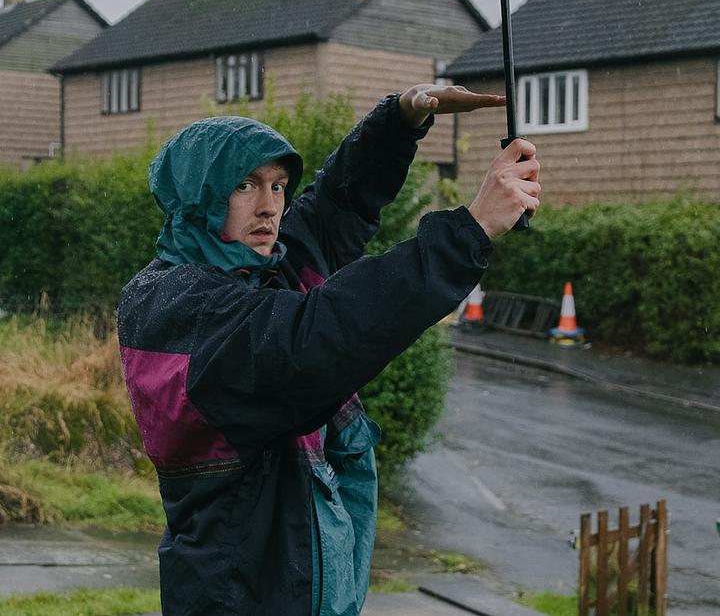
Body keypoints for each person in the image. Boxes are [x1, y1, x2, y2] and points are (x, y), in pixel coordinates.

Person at [117, 85, 540, 616]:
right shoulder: (174, 303)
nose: (270, 206)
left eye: (278, 185)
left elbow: (336, 206)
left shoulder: (258, 270)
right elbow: (320, 337)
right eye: (245, 185)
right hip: (242, 598)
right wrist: (471, 228)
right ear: (198, 195)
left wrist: (403, 118)